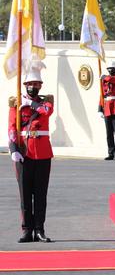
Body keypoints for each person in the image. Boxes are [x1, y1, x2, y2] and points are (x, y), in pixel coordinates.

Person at [8, 61, 54, 243]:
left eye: (36, 85)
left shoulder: (46, 102)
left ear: (40, 86)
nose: (33, 87)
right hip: (24, 153)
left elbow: (46, 112)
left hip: (42, 153)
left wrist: (30, 104)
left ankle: (39, 229)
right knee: (25, 194)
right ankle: (27, 230)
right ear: (25, 85)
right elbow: (12, 128)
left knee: (41, 194)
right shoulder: (15, 104)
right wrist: (13, 149)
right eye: (30, 84)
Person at [100, 61, 115, 161]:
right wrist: (100, 108)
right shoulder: (105, 80)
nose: (110, 70)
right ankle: (110, 152)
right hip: (107, 106)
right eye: (108, 69)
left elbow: (110, 79)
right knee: (109, 132)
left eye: (112, 68)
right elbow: (102, 94)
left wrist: (103, 77)